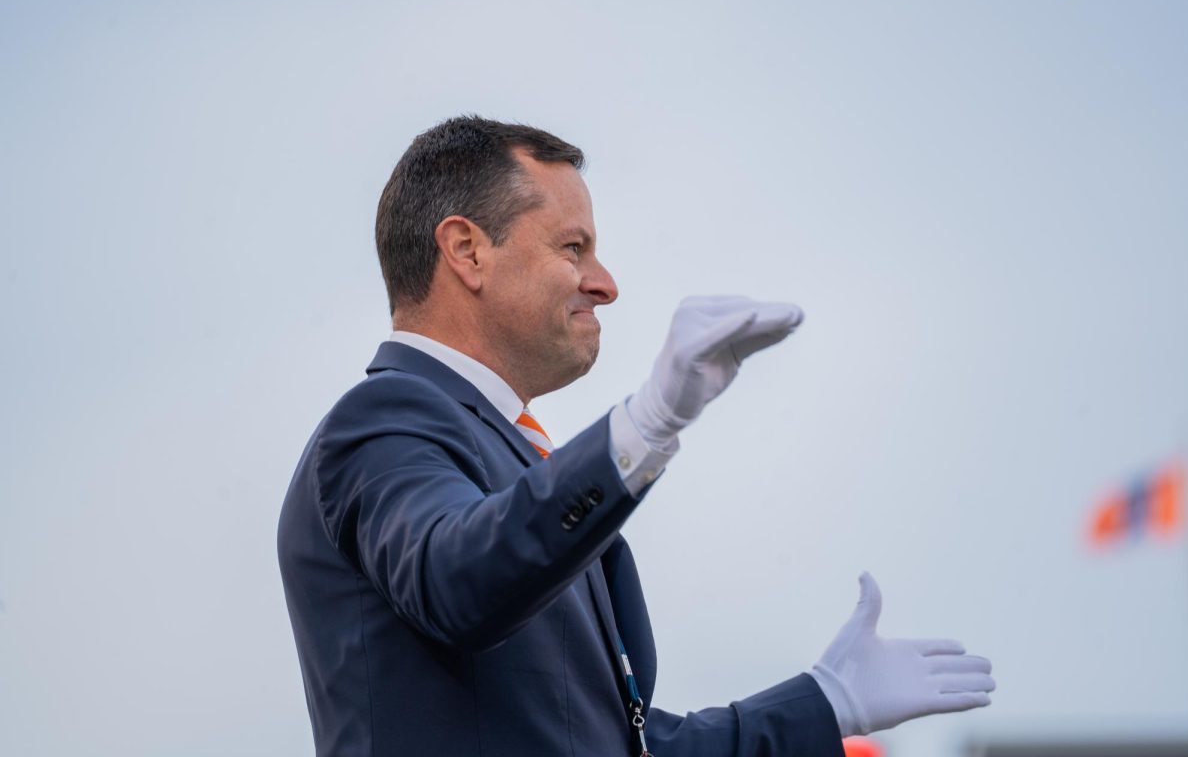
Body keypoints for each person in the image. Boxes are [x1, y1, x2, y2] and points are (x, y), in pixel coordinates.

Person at [277, 116, 995, 756]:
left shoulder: (515, 456)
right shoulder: (382, 419)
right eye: (573, 247)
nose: (606, 283)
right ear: (467, 251)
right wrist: (647, 423)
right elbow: (463, 578)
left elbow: (621, 742)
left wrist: (827, 701)